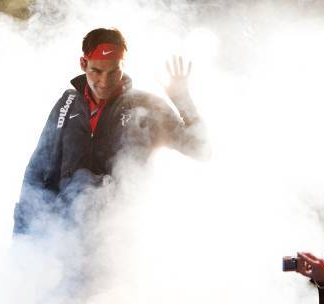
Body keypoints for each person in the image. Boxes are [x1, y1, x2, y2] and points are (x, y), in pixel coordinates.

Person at [13, 28, 208, 234]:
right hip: (65, 240)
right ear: (83, 64)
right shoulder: (67, 104)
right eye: (96, 71)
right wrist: (22, 235)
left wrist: (182, 99)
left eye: (114, 71)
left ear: (123, 65)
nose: (104, 81)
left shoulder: (147, 105)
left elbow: (201, 150)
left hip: (119, 242)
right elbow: (37, 171)